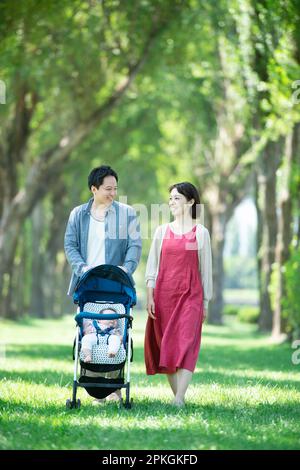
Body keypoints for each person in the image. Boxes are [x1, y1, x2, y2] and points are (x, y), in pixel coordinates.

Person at [64, 165, 142, 401]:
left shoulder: (126, 213)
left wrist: (125, 270)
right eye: (108, 188)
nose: (112, 193)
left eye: (115, 188)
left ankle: (115, 388)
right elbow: (70, 246)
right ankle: (93, 386)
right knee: (90, 332)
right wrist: (83, 268)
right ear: (94, 188)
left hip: (115, 284)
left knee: (116, 332)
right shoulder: (78, 214)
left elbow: (135, 246)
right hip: (88, 284)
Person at [144, 182, 213, 407]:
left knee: (186, 343)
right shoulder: (162, 231)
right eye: (171, 198)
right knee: (167, 346)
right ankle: (178, 398)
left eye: (177, 198)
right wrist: (150, 295)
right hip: (164, 296)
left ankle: (180, 397)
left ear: (191, 202)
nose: (172, 202)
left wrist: (205, 301)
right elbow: (152, 266)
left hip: (191, 296)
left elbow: (205, 270)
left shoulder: (200, 233)